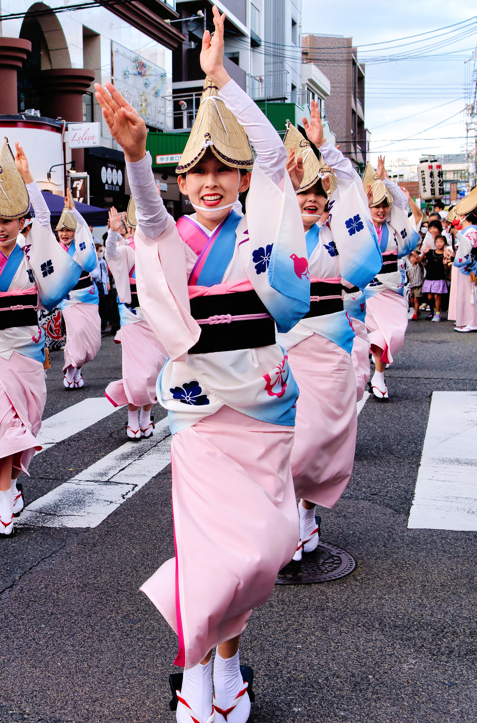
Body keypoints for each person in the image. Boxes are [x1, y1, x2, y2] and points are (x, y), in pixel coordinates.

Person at [95, 11, 311, 720]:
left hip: (264, 410)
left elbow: (278, 160)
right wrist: (134, 157)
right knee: (212, 554)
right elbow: (151, 226)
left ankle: (227, 660)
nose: (210, 181)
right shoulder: (176, 234)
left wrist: (223, 80)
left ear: (242, 174)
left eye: (223, 167)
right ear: (181, 179)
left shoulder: (261, 228)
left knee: (261, 552)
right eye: (197, 170)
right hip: (199, 416)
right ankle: (198, 676)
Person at [0, 138, 86, 537]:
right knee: (1, 426)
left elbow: (44, 227)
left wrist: (29, 182)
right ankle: (7, 496)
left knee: (24, 424)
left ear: (20, 221)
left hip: (28, 355)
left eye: (7, 221)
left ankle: (10, 487)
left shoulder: (31, 255)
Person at [278, 110, 381, 564]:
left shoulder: (340, 235)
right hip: (286, 346)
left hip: (333, 344)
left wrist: (326, 151)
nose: (313, 198)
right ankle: (291, 515)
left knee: (324, 438)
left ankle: (307, 509)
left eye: (320, 192)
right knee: (290, 443)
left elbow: (354, 197)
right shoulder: (273, 238)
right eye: (305, 190)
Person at [104, 205, 167, 439]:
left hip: (156, 321)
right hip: (132, 320)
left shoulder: (159, 249)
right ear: (129, 228)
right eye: (134, 226)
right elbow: (111, 254)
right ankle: (132, 420)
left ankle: (145, 417)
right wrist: (112, 232)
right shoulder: (127, 251)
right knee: (135, 376)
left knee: (153, 373)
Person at [363, 157, 420, 401]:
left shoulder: (394, 227)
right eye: (376, 205)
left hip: (394, 289)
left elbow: (400, 202)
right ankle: (378, 376)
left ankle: (374, 367)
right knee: (381, 335)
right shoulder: (359, 225)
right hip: (367, 291)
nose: (381, 210)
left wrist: (385, 180)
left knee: (394, 334)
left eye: (384, 206)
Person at [54, 190, 101, 389]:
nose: (64, 234)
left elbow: (83, 227)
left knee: (91, 337)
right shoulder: (54, 249)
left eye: (68, 230)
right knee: (75, 332)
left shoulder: (83, 247)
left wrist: (73, 210)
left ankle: (78, 369)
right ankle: (70, 368)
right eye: (61, 230)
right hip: (69, 300)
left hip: (89, 298)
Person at [448, 187, 477, 333]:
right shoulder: (469, 230)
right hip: (466, 265)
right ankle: (464, 321)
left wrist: (459, 236)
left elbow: (468, 246)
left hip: (470, 266)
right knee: (465, 293)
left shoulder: (472, 230)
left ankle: (471, 322)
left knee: (471, 294)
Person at [422, 231, 451, 322]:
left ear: (444, 243)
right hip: (429, 276)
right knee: (430, 297)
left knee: (437, 296)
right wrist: (424, 253)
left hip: (439, 276)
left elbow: (447, 269)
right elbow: (421, 260)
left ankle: (437, 314)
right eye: (437, 242)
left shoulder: (445, 254)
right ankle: (433, 311)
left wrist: (445, 264)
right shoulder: (430, 252)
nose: (439, 244)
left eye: (441, 242)